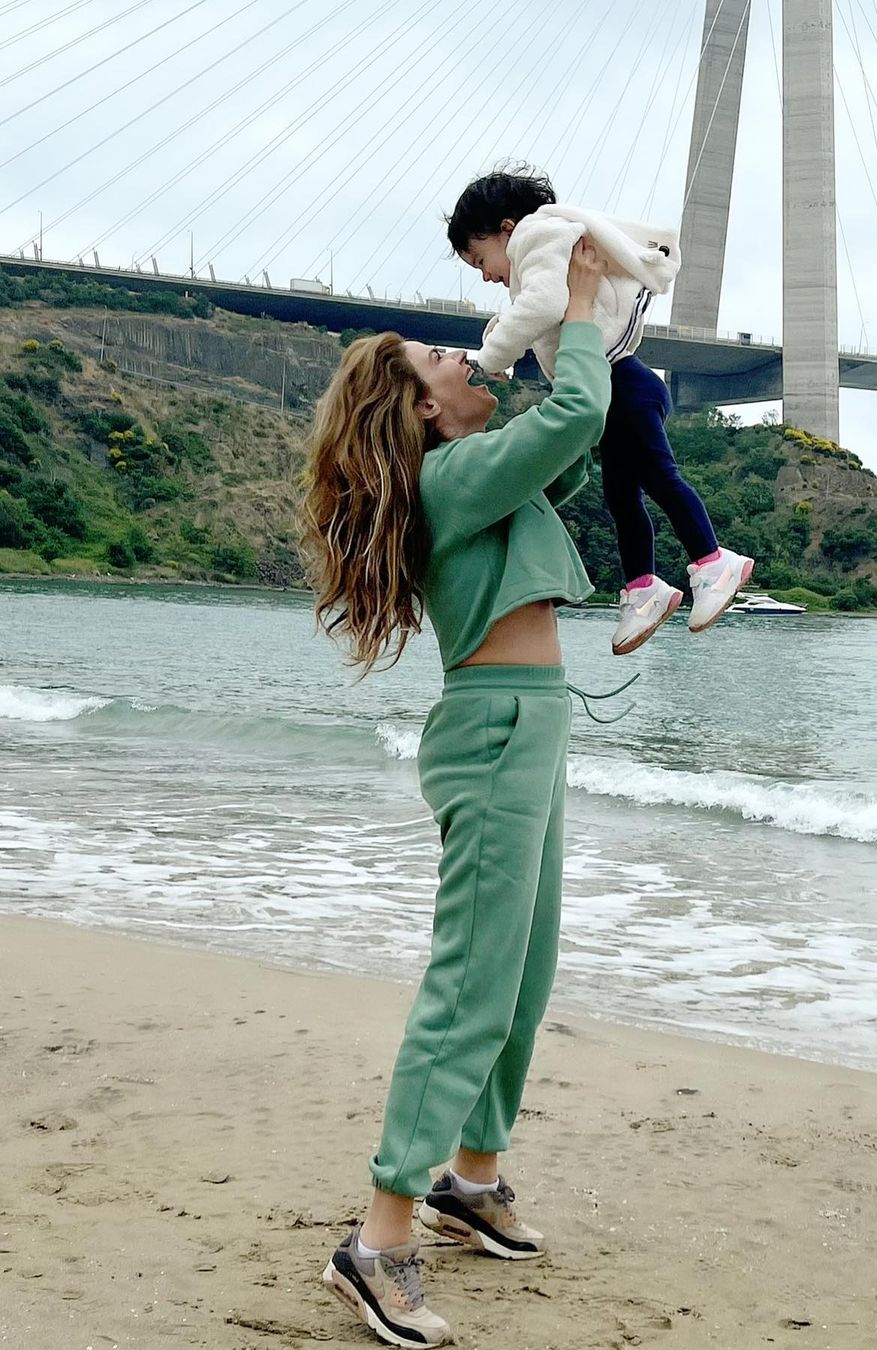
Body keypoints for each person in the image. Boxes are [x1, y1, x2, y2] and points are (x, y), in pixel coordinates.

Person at [300, 241, 611, 1347]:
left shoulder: (480, 468)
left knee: (524, 972)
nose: (467, 356)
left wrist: (571, 326)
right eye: (444, 359)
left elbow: (575, 437)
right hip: (493, 731)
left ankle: (471, 1179)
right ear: (424, 412)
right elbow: (576, 415)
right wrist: (575, 296)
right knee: (472, 983)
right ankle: (377, 1240)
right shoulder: (451, 479)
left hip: (534, 723)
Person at [446, 165, 754, 656]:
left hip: (624, 381)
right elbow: (546, 310)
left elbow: (545, 305)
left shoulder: (535, 236)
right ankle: (643, 588)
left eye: (480, 258)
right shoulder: (536, 251)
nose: (484, 274)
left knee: (660, 479)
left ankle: (714, 561)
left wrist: (491, 356)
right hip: (615, 383)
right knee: (622, 498)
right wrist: (501, 336)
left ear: (506, 228)